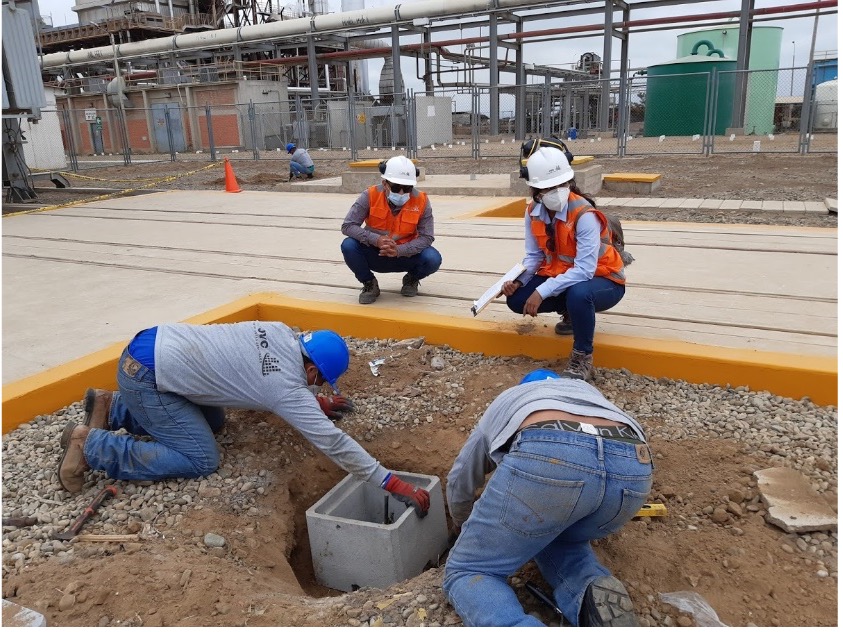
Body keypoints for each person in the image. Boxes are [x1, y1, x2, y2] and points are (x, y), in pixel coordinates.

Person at [55, 321, 431, 519]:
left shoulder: (280, 331)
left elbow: (257, 373)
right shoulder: (285, 389)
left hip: (154, 344)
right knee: (201, 457)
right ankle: (92, 446)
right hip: (147, 376)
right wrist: (392, 483)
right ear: (312, 369)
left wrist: (313, 402)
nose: (318, 387)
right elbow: (333, 441)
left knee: (215, 423)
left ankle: (112, 408)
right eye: (319, 381)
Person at [442, 369, 652, 627]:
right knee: (557, 537)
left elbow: (460, 479)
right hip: (632, 468)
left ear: (523, 386)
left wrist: (462, 525)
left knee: (470, 570)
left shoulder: (511, 397)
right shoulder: (585, 391)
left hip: (551, 450)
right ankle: (588, 586)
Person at [501, 146, 626, 381]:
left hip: (605, 280)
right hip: (566, 277)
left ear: (569, 181)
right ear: (536, 191)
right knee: (516, 299)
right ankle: (571, 312)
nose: (557, 191)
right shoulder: (533, 212)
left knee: (579, 294)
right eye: (549, 187)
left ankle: (582, 357)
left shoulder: (584, 215)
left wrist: (542, 291)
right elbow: (534, 257)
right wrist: (518, 281)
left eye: (561, 184)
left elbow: (585, 270)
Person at [340, 155, 442, 304]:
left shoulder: (422, 200)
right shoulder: (370, 195)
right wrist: (376, 240)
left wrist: (400, 250)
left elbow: (427, 237)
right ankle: (369, 283)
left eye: (407, 188)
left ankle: (412, 278)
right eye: (395, 187)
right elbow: (348, 226)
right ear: (385, 183)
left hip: (406, 255)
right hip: (375, 252)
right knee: (349, 245)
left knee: (433, 258)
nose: (401, 193)